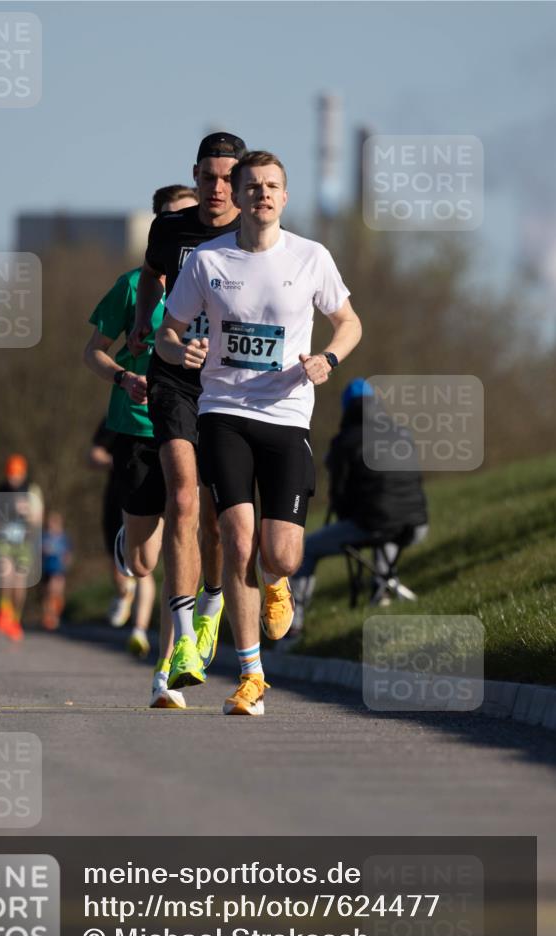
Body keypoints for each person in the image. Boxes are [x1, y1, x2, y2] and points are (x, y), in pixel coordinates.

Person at [155, 150, 362, 715]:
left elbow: (349, 322)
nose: (263, 195)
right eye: (253, 187)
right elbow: (166, 333)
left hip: (288, 414)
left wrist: (328, 359)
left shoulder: (311, 257)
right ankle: (251, 675)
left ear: (284, 197)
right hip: (223, 411)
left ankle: (279, 582)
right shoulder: (207, 260)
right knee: (238, 540)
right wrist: (183, 348)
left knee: (283, 554)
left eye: (273, 186)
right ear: (238, 197)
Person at [128, 133, 248, 691]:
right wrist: (142, 322)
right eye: (208, 177)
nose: (217, 188)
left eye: (228, 178)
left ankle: (212, 606)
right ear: (195, 176)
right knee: (182, 497)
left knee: (220, 520)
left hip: (231, 387)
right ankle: (175, 656)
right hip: (173, 374)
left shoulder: (254, 234)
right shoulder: (170, 230)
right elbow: (152, 274)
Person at [84, 184, 199, 707]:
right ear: (158, 230)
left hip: (194, 424)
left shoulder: (218, 282)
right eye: (171, 221)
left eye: (188, 218)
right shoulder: (133, 287)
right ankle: (126, 543)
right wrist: (122, 379)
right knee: (144, 562)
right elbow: (92, 352)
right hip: (137, 426)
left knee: (186, 536)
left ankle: (168, 669)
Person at [290, 378, 429, 630]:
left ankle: (293, 625)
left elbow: (339, 496)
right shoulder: (402, 433)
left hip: (375, 524)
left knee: (306, 549)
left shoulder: (345, 442)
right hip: (417, 525)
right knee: (387, 525)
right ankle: (382, 590)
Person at [88, 417, 152, 645]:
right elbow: (94, 456)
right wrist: (117, 461)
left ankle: (139, 630)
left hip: (149, 494)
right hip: (118, 497)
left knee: (145, 566)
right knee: (118, 560)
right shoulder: (113, 419)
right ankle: (124, 592)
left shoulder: (163, 408)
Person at [0, 454, 44, 641]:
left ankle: (15, 619)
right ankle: (3, 611)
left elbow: (38, 520)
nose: (12, 478)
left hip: (25, 541)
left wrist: (27, 513)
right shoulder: (0, 490)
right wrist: (7, 512)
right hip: (4, 540)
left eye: (16, 474)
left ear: (23, 474)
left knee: (19, 582)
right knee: (5, 573)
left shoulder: (32, 490)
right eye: (9, 474)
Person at [41, 510, 72, 630]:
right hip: (46, 569)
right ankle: (48, 617)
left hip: (59, 570)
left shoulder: (63, 538)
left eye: (55, 522)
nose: (52, 525)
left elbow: (68, 554)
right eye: (50, 522)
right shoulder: (44, 537)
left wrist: (66, 562)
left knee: (56, 591)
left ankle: (55, 616)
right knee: (47, 594)